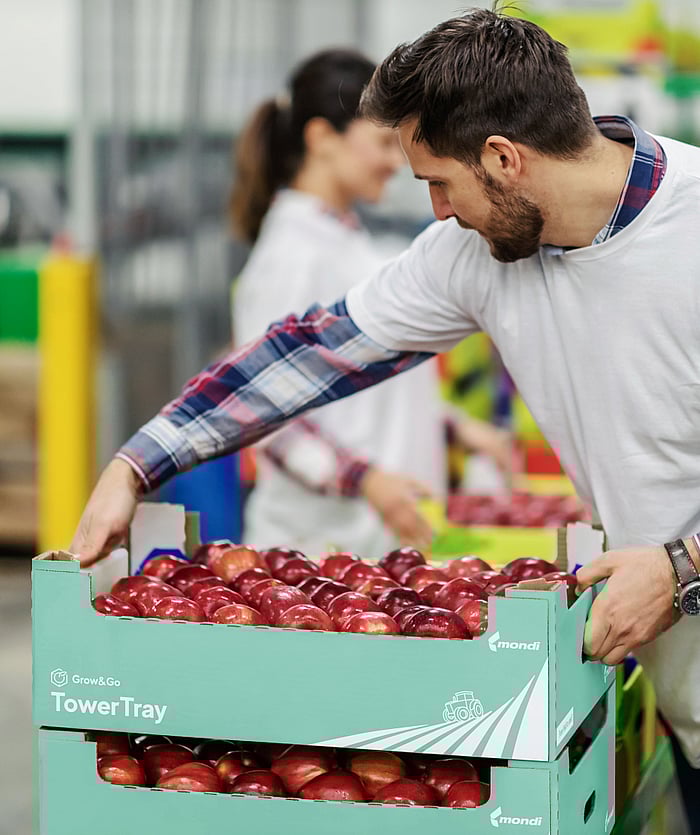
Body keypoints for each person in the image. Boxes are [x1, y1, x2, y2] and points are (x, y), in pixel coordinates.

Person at [71, 10, 700, 825]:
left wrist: (683, 565)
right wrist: (140, 460)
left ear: (504, 159)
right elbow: (313, 352)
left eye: (439, 180)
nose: (436, 211)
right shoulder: (475, 255)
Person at [228, 48, 512, 555]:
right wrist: (368, 481)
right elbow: (266, 416)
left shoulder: (345, 241)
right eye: (382, 143)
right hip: (315, 555)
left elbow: (360, 385)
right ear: (321, 139)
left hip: (369, 545)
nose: (393, 162)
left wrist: (451, 425)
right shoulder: (290, 256)